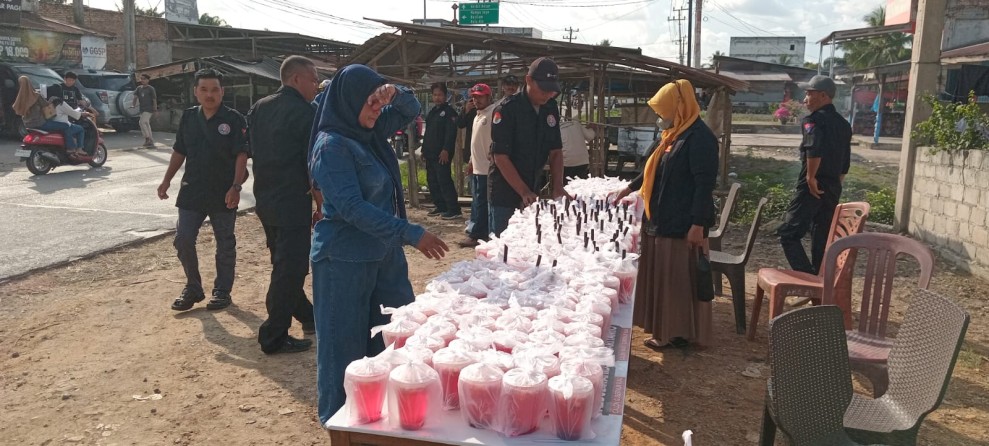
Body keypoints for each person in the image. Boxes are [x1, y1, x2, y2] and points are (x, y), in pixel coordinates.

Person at [308, 64, 449, 426]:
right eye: (369, 102)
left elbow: (410, 110)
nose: (376, 110)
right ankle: (340, 424)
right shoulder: (333, 145)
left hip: (383, 253)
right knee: (344, 350)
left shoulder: (367, 132)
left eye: (377, 101)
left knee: (394, 339)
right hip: (343, 257)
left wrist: (392, 91)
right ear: (349, 100)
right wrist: (413, 233)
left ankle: (385, 422)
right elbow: (353, 208)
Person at [612, 79, 719, 350]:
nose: (661, 117)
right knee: (667, 279)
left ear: (679, 107)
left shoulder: (699, 139)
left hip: (682, 222)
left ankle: (676, 333)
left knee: (678, 281)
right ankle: (670, 330)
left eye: (664, 111)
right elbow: (655, 169)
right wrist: (630, 187)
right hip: (663, 217)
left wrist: (698, 223)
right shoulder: (674, 136)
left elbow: (704, 186)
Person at [157, 68, 249, 312]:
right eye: (204, 90)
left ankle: (222, 290)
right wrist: (166, 180)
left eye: (215, 89)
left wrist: (236, 187)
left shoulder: (234, 119)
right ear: (196, 92)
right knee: (183, 239)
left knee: (225, 243)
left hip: (223, 191)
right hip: (192, 190)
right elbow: (179, 151)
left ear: (222, 91)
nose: (210, 95)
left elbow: (242, 155)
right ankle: (193, 287)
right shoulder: (188, 117)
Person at [247, 56, 320, 355]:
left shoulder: (259, 108)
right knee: (290, 269)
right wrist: (320, 203)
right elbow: (311, 164)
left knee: (283, 262)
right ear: (295, 79)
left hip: (265, 199)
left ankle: (307, 315)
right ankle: (273, 335)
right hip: (292, 202)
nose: (316, 85)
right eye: (313, 79)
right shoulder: (305, 113)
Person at [778, 75, 852, 275]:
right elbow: (845, 161)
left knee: (788, 233)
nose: (805, 98)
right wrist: (834, 185)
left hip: (812, 185)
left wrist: (811, 178)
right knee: (821, 238)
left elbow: (813, 149)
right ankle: (821, 286)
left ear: (823, 95)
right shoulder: (844, 125)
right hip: (832, 187)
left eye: (809, 94)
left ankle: (807, 277)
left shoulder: (813, 121)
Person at [488, 57, 566, 236]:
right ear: (528, 80)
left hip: (532, 188)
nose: (548, 95)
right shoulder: (507, 109)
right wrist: (523, 191)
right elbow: (500, 156)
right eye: (544, 89)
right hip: (505, 194)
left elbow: (555, 151)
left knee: (528, 245)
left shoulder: (550, 108)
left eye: (552, 91)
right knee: (503, 248)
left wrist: (558, 186)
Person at [458, 83, 495, 248]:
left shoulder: (493, 113)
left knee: (483, 202)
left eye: (480, 96)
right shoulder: (477, 115)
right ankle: (479, 232)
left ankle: (478, 234)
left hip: (489, 168)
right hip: (478, 166)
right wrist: (472, 162)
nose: (476, 99)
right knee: (478, 201)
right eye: (474, 96)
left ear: (488, 97)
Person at [422, 82, 462, 220]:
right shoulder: (433, 112)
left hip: (442, 154)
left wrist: (446, 149)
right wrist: (423, 150)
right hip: (430, 154)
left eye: (440, 95)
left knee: (444, 180)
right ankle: (441, 206)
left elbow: (451, 134)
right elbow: (428, 133)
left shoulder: (449, 112)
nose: (437, 97)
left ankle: (453, 209)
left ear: (446, 96)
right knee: (432, 181)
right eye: (435, 95)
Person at [560, 119, 595, 183]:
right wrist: (590, 128)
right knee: (581, 184)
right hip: (582, 161)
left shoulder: (558, 129)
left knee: (567, 185)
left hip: (567, 163)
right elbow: (590, 136)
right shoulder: (577, 124)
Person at [133, 74, 158, 147]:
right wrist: (133, 105)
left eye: (144, 79)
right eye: (141, 79)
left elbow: (154, 99)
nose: (142, 80)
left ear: (148, 80)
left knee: (142, 122)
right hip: (142, 109)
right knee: (146, 124)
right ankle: (150, 140)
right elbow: (135, 97)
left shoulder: (150, 89)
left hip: (149, 109)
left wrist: (155, 109)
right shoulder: (139, 88)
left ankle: (147, 138)